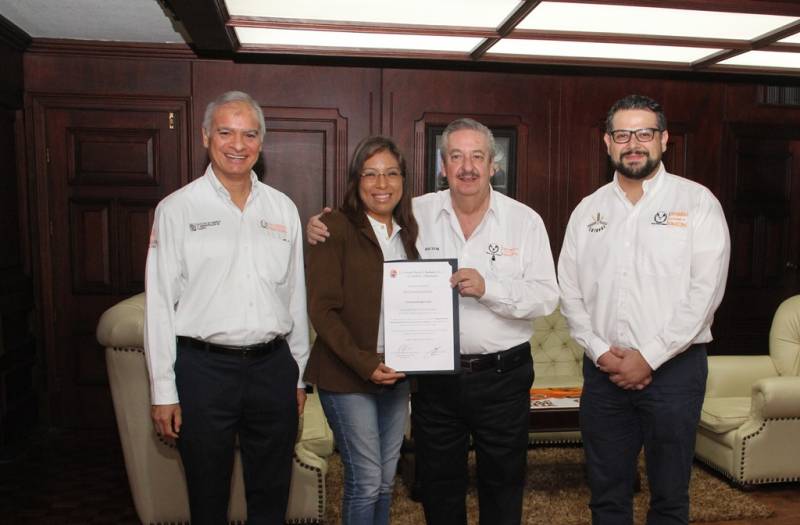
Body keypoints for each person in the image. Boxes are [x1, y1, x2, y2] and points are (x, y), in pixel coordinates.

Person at [309, 118, 560, 525]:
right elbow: (363, 226)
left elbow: (547, 297)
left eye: (477, 156)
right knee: (439, 488)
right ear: (442, 165)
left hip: (502, 376)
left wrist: (489, 287)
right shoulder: (414, 213)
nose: (467, 167)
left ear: (493, 164)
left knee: (504, 483)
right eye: (456, 156)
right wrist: (321, 224)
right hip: (435, 380)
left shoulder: (524, 221)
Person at [558, 94, 731, 525]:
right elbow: (570, 292)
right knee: (606, 495)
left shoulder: (698, 203)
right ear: (607, 143)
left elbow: (704, 293)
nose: (633, 143)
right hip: (604, 373)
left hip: (675, 372)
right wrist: (600, 351)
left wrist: (649, 357)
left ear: (664, 139)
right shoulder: (588, 210)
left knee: (670, 497)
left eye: (645, 133)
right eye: (622, 134)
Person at [144, 90, 309, 525]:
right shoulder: (177, 209)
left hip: (273, 369)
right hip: (203, 373)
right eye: (226, 132)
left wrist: (299, 376)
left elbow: (296, 296)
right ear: (204, 137)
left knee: (272, 495)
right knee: (207, 497)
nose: (238, 144)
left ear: (261, 142)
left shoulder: (283, 209)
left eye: (249, 134)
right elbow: (159, 304)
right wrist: (163, 392)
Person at [304, 135, 418, 525]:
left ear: (403, 180)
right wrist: (365, 363)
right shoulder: (333, 227)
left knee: (385, 481)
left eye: (390, 173)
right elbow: (322, 311)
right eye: (370, 174)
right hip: (347, 374)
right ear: (356, 180)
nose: (381, 184)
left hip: (397, 372)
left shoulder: (410, 232)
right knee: (366, 480)